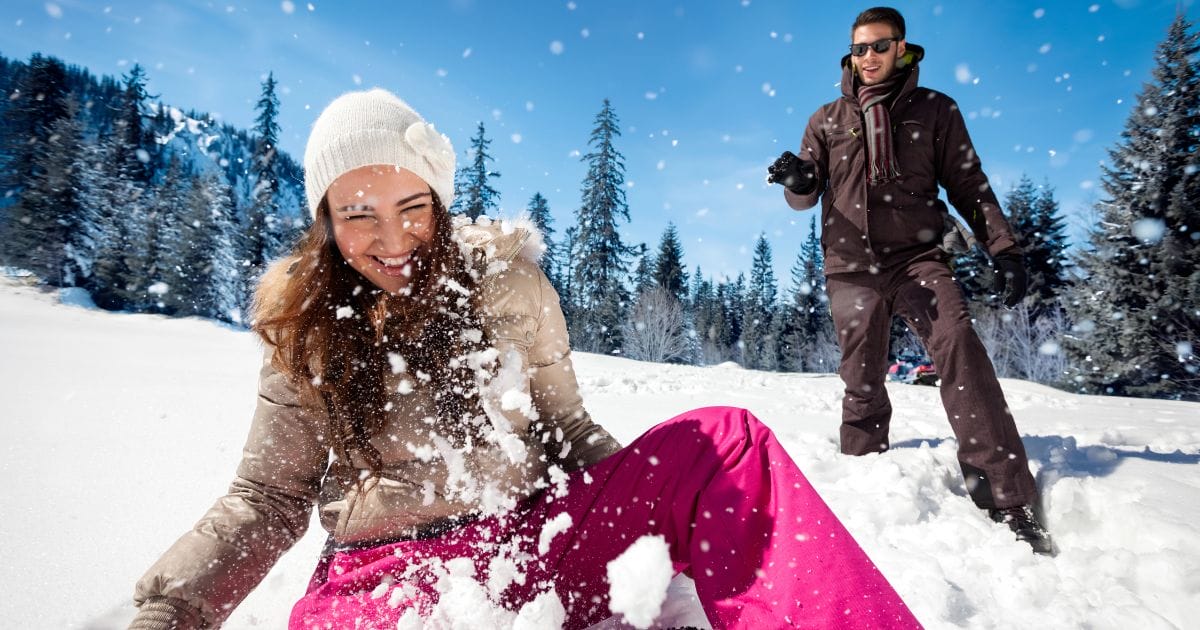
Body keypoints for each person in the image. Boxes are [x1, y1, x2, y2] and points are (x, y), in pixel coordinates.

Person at [129, 88, 923, 630]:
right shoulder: (306, 328)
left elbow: (568, 426)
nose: (394, 239)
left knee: (726, 442)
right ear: (326, 219)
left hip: (531, 542)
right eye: (360, 214)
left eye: (413, 208)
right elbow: (266, 497)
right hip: (386, 578)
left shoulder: (509, 285)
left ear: (438, 202)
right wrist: (174, 608)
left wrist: (646, 519)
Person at [767, 6, 1053, 555]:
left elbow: (970, 184)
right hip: (851, 267)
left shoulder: (936, 110)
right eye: (859, 49)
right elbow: (802, 195)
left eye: (879, 46)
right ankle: (861, 478)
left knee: (958, 346)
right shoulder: (826, 119)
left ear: (902, 48)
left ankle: (1005, 496)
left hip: (919, 258)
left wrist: (1004, 248)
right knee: (862, 376)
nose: (868, 57)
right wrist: (801, 179)